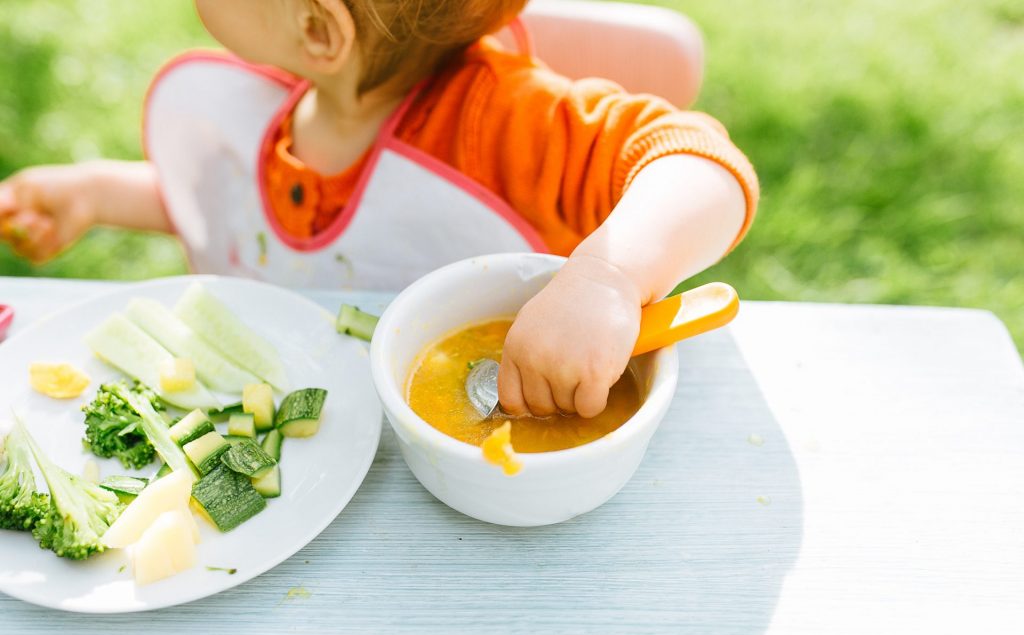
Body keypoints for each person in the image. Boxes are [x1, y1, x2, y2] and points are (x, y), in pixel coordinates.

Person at [0, 0, 758, 419]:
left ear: (318, 29)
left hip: (488, 469)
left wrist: (607, 277)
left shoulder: (503, 124)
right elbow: (262, 223)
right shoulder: (294, 101)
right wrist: (98, 193)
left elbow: (703, 162)